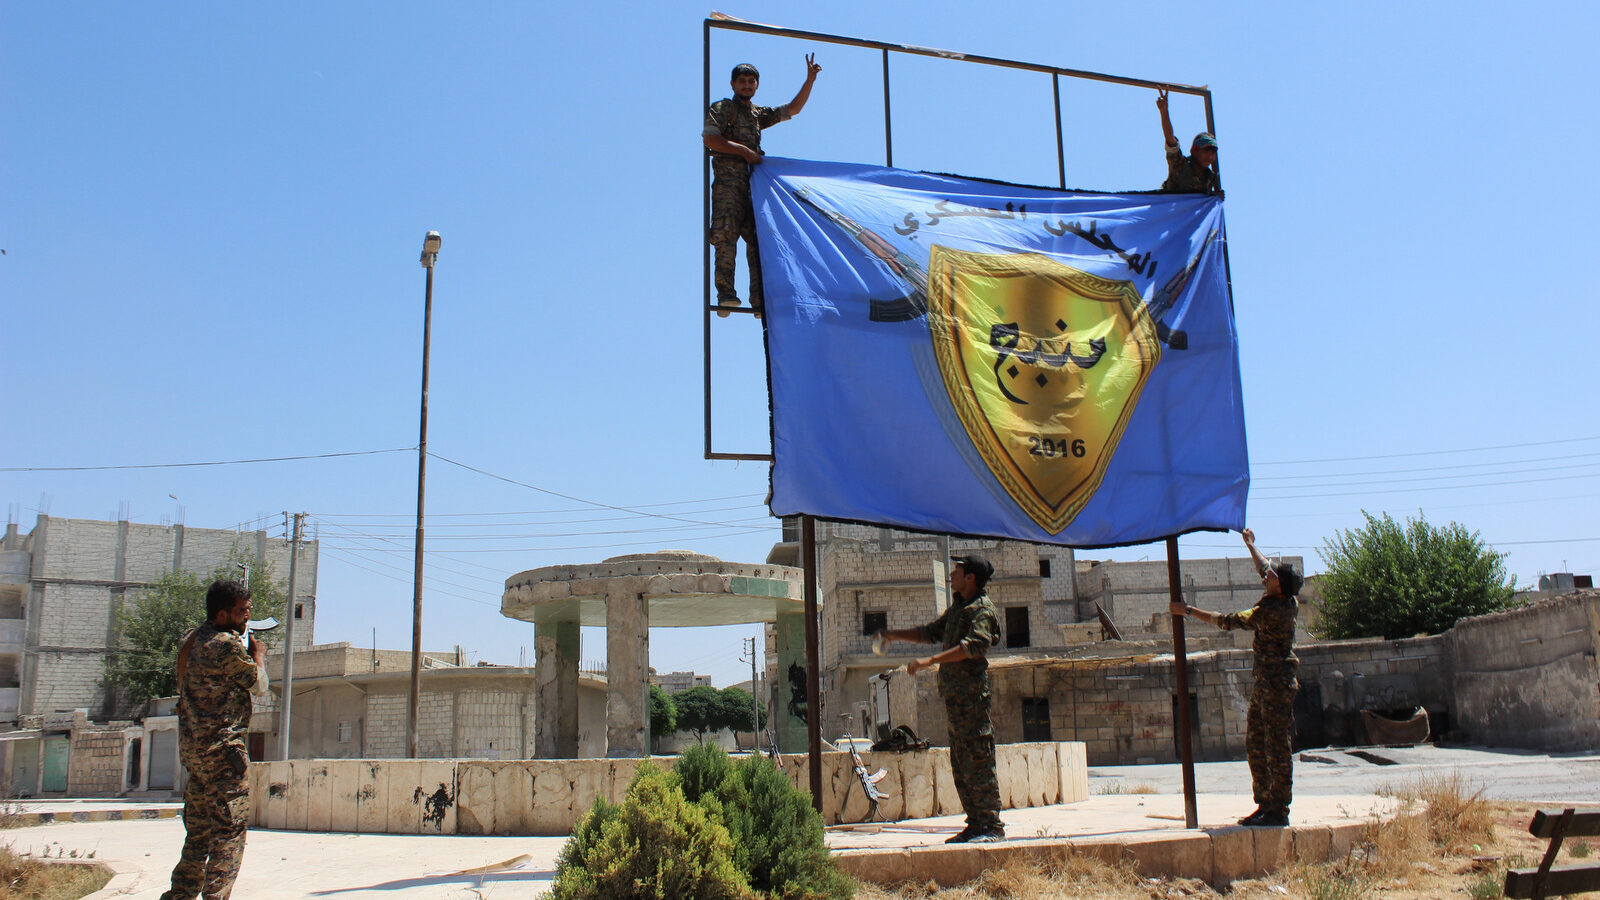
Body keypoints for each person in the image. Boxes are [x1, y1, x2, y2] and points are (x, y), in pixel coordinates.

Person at [1170, 529, 1301, 827]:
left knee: (1276, 745)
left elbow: (1228, 621)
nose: (1266, 576)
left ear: (1280, 587)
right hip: (1265, 684)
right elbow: (1264, 567)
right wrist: (1251, 545)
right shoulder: (1281, 596)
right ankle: (1265, 803)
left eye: (1272, 577)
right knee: (1256, 742)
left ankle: (1278, 809)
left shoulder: (1273, 611)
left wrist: (1188, 610)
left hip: (1277, 686)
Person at [876, 555, 1004, 843]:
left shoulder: (982, 610)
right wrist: (893, 634)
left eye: (957, 571)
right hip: (956, 701)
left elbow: (974, 647)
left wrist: (930, 660)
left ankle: (992, 827)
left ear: (970, 577)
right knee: (961, 763)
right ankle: (975, 825)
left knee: (978, 760)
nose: (951, 574)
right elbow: (931, 632)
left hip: (972, 698)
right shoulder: (959, 608)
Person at [162, 579, 270, 900]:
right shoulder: (226, 645)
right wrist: (259, 655)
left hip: (194, 755)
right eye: (242, 612)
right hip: (224, 755)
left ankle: (180, 894)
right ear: (222, 615)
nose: (247, 618)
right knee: (229, 832)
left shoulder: (190, 640)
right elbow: (259, 684)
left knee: (198, 834)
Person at [702, 54, 821, 318]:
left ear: (757, 85)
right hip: (728, 183)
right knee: (725, 234)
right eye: (742, 81)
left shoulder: (757, 114)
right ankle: (726, 294)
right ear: (733, 84)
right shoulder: (724, 109)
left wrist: (810, 80)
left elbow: (792, 109)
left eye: (751, 81)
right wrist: (744, 151)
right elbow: (711, 139)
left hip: (753, 184)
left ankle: (759, 299)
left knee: (758, 240)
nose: (747, 85)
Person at [1156, 88, 1222, 196]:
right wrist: (1164, 112)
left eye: (1213, 152)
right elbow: (1171, 141)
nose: (1210, 156)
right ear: (1194, 151)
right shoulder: (1180, 165)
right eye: (1206, 150)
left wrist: (1216, 197)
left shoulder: (1210, 178)